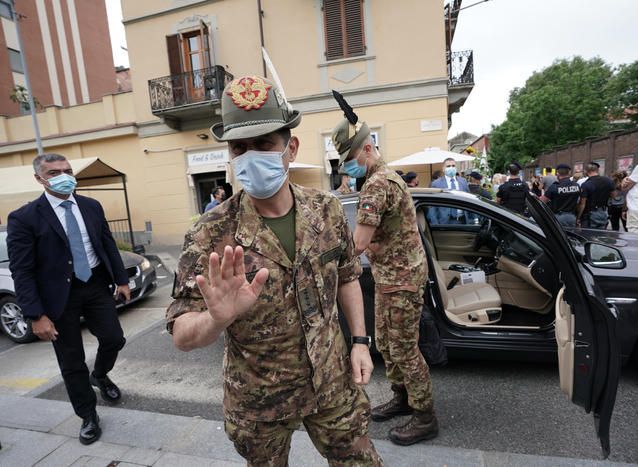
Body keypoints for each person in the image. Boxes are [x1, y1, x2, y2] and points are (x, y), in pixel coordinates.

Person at [167, 75, 382, 465]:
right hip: (260, 401)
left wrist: (360, 342)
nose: (250, 156)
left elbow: (348, 276)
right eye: (239, 148)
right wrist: (216, 319)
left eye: (264, 144)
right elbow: (182, 334)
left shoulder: (326, 209)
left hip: (331, 381)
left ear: (290, 148)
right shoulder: (210, 232)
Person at [332, 97, 437, 447]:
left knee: (404, 349)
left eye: (350, 159)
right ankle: (402, 397)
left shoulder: (378, 184)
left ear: (366, 149)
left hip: (400, 280)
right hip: (390, 278)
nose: (348, 167)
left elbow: (358, 243)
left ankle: (425, 416)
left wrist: (327, 258)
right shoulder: (382, 178)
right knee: (388, 345)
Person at [7, 153, 131, 445]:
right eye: (54, 173)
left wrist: (122, 279)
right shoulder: (24, 218)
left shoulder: (91, 206)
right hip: (58, 296)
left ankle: (99, 375)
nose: (64, 176)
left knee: (114, 339)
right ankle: (88, 414)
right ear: (39, 178)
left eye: (67, 170)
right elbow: (22, 270)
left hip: (96, 284)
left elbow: (107, 244)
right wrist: (36, 315)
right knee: (71, 360)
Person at [578, 162, 615, 229]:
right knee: (601, 233)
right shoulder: (608, 181)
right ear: (598, 170)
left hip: (590, 214)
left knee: (588, 234)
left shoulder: (586, 184)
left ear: (586, 171)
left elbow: (582, 204)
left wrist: (578, 217)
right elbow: (613, 196)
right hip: (603, 212)